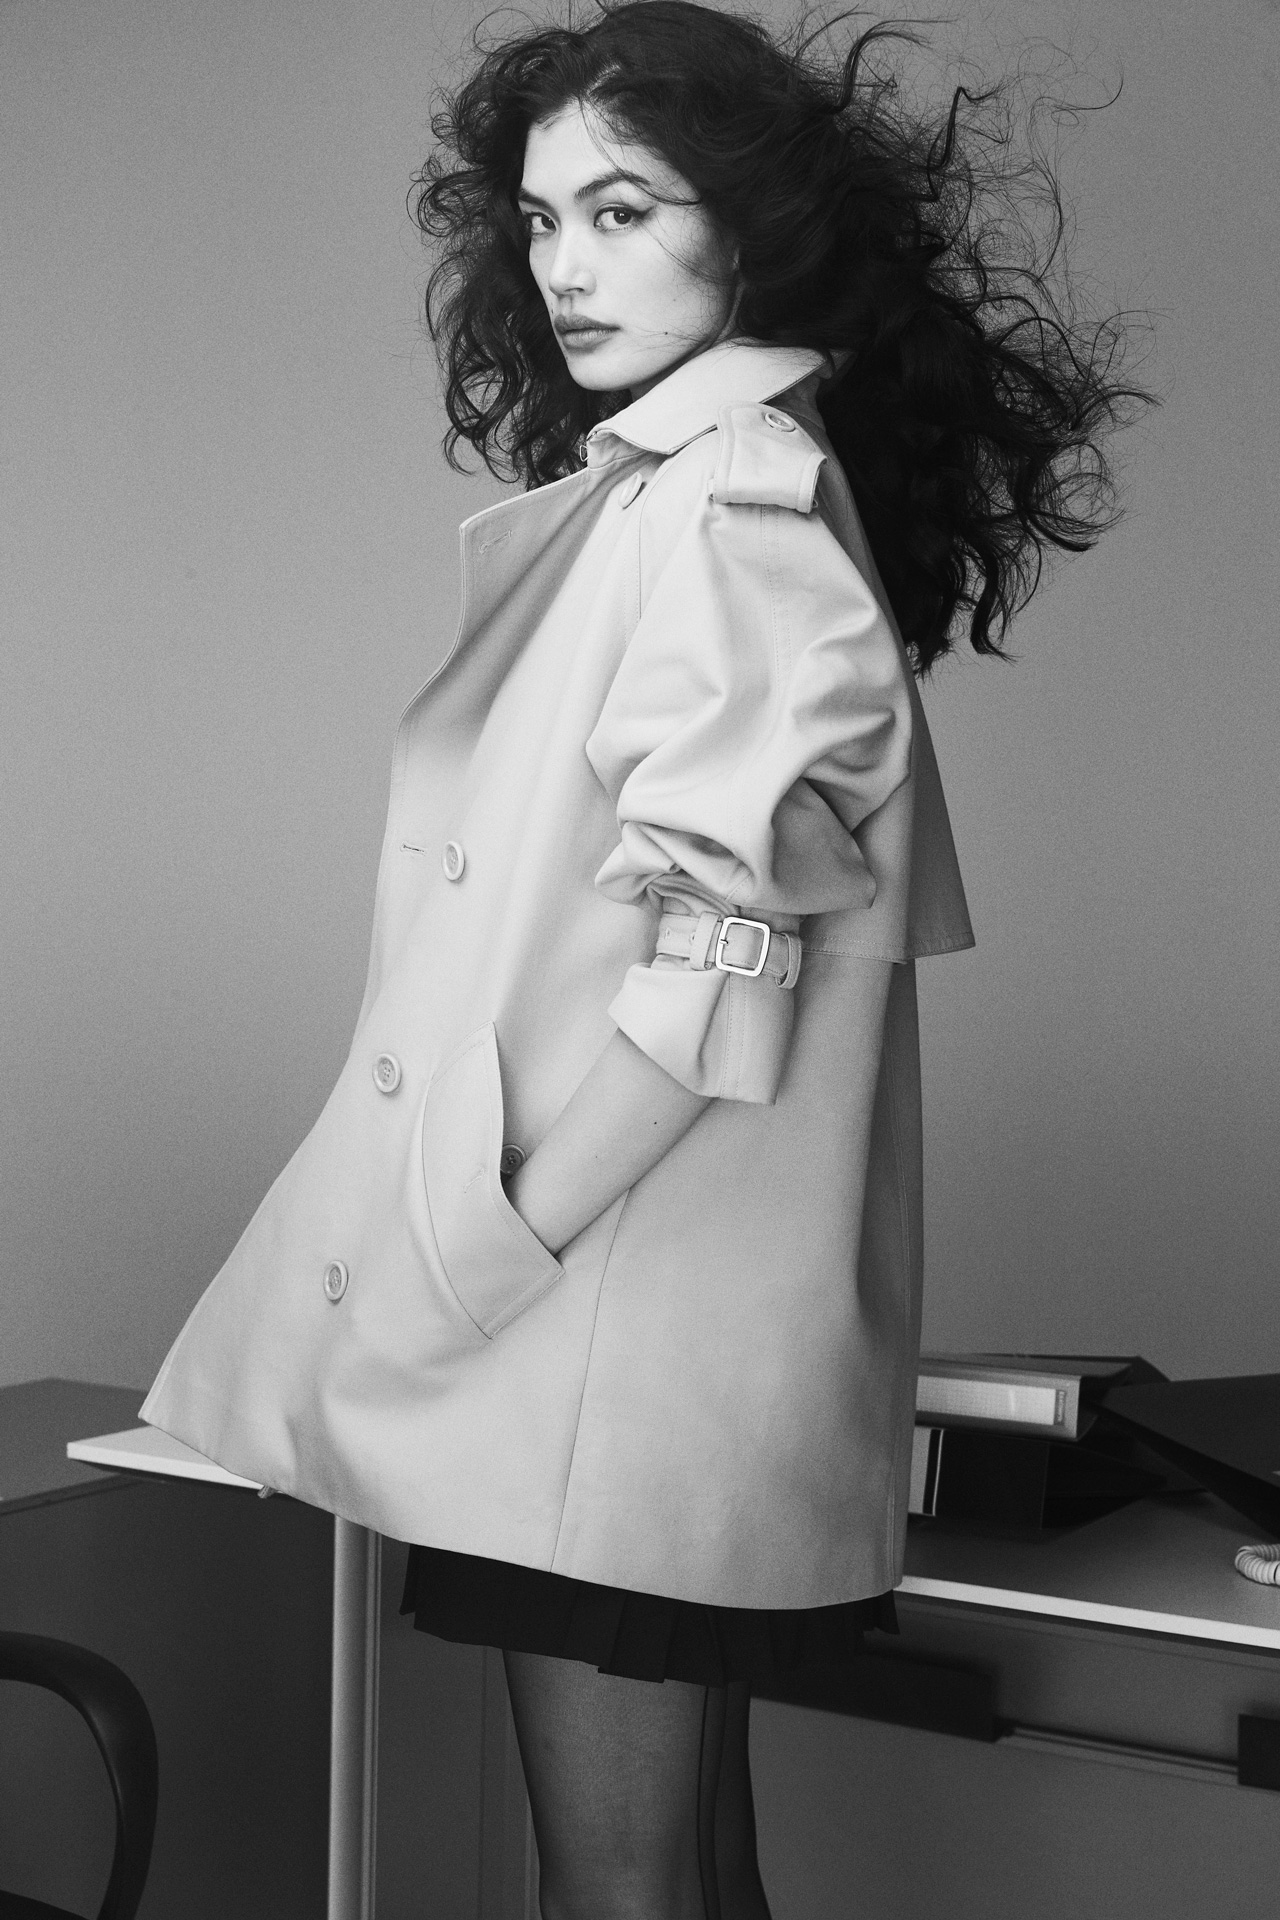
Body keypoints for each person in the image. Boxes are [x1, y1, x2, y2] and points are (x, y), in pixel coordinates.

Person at [140, 5, 1146, 1914]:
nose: (565, 266)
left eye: (621, 211)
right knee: (683, 1886)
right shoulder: (693, 488)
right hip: (630, 1344)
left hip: (595, 1335)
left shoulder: (728, 505)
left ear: (751, 229)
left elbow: (725, 959)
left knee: (619, 1900)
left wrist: (492, 1237)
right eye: (540, 222)